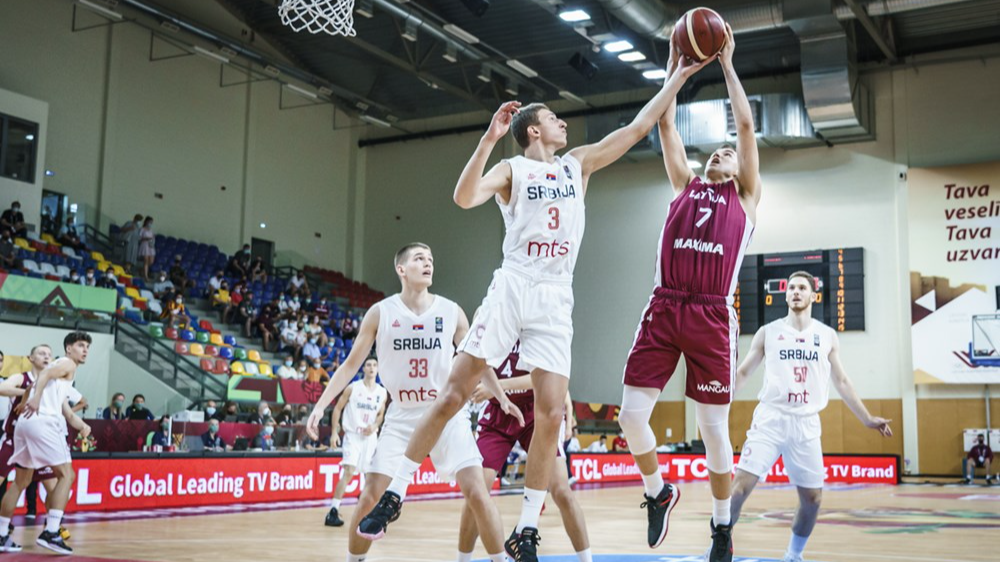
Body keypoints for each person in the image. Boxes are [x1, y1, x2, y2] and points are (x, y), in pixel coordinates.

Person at [361, 34, 713, 562]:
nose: (563, 123)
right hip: (514, 282)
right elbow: (463, 198)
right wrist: (488, 139)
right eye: (553, 117)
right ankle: (394, 494)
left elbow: (638, 127)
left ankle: (527, 527)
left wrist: (678, 79)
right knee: (454, 391)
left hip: (555, 293)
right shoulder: (514, 169)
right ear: (533, 129)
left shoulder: (578, 164)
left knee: (550, 414)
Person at [615, 27, 759, 561]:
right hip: (664, 304)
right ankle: (658, 492)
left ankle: (722, 527)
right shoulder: (684, 185)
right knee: (631, 416)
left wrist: (726, 63)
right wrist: (677, 66)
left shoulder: (744, 199)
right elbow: (665, 121)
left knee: (712, 431)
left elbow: (744, 124)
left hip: (712, 317)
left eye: (731, 152)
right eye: (717, 151)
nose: (724, 152)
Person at [306, 243, 517, 562]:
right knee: (370, 498)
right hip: (402, 417)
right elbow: (350, 365)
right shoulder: (381, 312)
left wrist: (501, 397)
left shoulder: (451, 311)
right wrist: (321, 405)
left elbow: (478, 363)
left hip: (446, 415)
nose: (428, 263)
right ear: (401, 269)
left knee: (477, 491)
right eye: (419, 258)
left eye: (431, 259)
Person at [728, 271, 893, 562]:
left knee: (813, 500)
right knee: (739, 488)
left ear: (813, 295)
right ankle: (718, 546)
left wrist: (867, 419)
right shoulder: (769, 332)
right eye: (790, 287)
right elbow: (742, 373)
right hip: (770, 419)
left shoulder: (826, 335)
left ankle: (793, 555)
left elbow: (842, 382)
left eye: (802, 287)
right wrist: (718, 402)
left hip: (805, 424)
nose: (795, 292)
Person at [459, 343, 591, 562]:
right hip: (497, 414)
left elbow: (543, 377)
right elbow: (477, 363)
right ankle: (462, 559)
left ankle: (587, 559)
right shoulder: (494, 318)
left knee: (561, 491)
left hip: (535, 411)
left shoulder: (538, 325)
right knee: (477, 492)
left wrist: (497, 386)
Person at [0, 331, 93, 554]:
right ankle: (51, 531)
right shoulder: (66, 364)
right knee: (67, 476)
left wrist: (82, 426)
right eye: (81, 345)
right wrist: (35, 398)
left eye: (87, 347)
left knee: (21, 481)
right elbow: (42, 377)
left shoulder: (59, 379)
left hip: (25, 424)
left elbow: (67, 411)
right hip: (44, 425)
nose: (85, 350)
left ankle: (2, 533)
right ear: (69, 348)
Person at [325, 358, 388, 527]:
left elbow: (381, 414)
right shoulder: (353, 388)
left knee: (370, 476)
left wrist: (375, 425)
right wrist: (333, 433)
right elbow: (337, 408)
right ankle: (333, 511)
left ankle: (368, 512)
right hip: (353, 435)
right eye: (368, 365)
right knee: (349, 471)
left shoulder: (382, 392)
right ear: (364, 368)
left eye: (375, 365)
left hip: (370, 437)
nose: (372, 368)